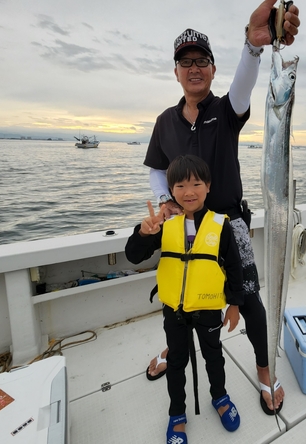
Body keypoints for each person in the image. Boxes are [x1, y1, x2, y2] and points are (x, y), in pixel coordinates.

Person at [143, 0, 300, 415]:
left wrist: (252, 45)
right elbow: (157, 166)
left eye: (202, 61)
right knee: (182, 290)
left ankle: (265, 368)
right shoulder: (164, 122)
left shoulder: (225, 109)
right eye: (185, 62)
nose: (194, 68)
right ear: (176, 72)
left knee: (248, 296)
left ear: (212, 70)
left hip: (231, 222)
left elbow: (247, 85)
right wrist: (166, 201)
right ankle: (174, 349)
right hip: (185, 225)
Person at [125, 155, 244, 443]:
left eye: (196, 184)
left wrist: (235, 305)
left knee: (214, 357)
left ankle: (220, 397)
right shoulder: (164, 224)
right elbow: (133, 255)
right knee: (176, 362)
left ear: (208, 187)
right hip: (174, 311)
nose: (188, 192)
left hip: (209, 309)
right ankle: (177, 413)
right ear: (170, 189)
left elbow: (234, 266)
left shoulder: (220, 224)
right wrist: (143, 233)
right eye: (180, 185)